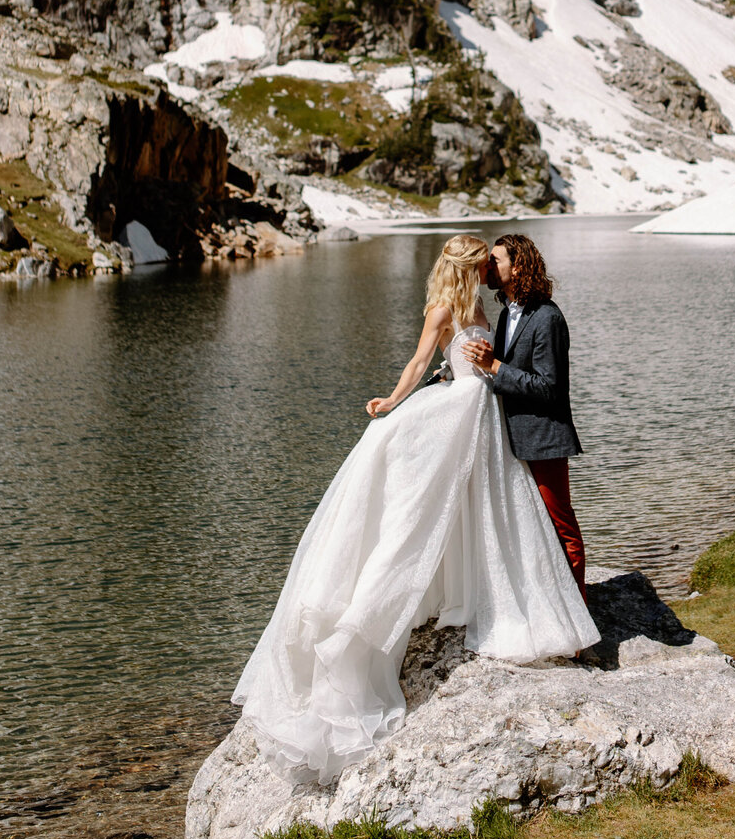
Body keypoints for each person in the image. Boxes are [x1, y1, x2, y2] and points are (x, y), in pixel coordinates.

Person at [232, 233, 597, 783]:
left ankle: (545, 616)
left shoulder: (498, 310)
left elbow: (495, 368)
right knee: (433, 513)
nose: (488, 272)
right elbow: (422, 360)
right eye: (481, 264)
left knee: (502, 515)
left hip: (489, 422)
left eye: (491, 263)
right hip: (463, 415)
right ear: (465, 267)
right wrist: (393, 401)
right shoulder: (448, 307)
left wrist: (486, 368)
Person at [464, 235, 587, 599]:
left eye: (494, 260)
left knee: (560, 526)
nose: (487, 267)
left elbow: (550, 387)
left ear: (518, 267)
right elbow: (508, 371)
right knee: (530, 527)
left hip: (544, 439)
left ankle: (580, 611)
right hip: (513, 439)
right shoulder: (507, 314)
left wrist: (496, 365)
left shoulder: (547, 317)